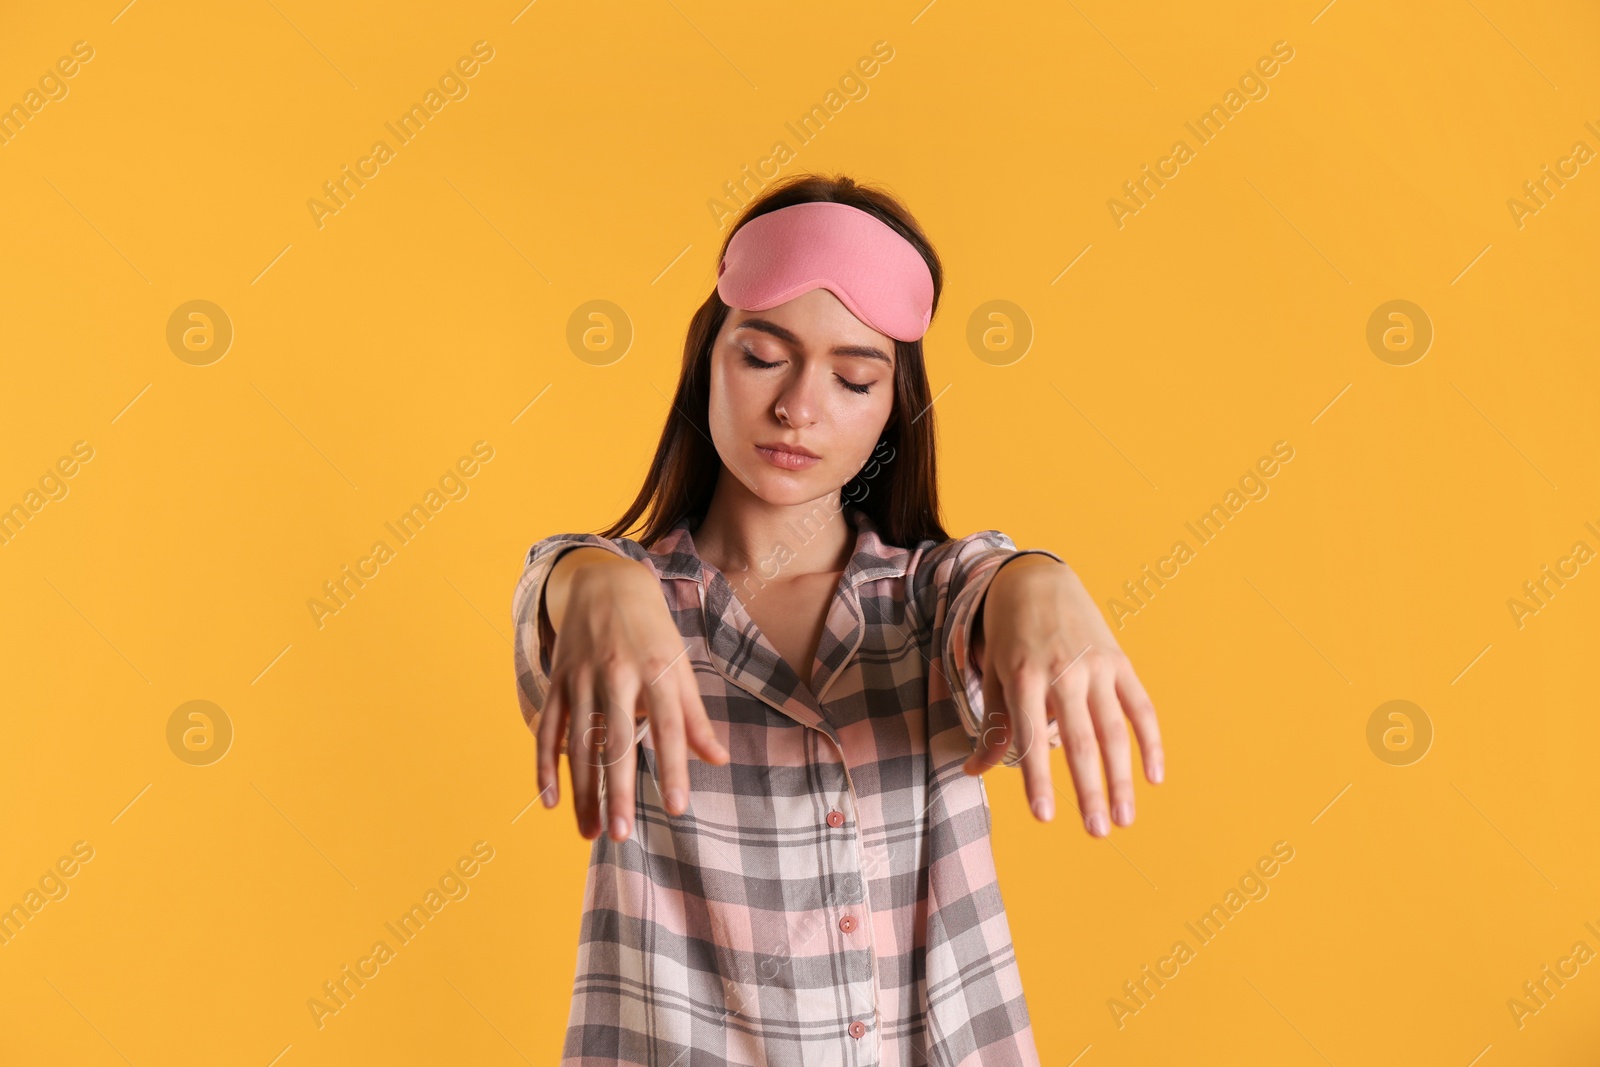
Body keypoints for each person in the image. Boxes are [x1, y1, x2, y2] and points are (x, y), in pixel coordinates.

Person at [511, 173, 1165, 1066]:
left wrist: (1039, 580)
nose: (799, 407)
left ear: (894, 405)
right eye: (762, 356)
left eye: (854, 378)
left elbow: (983, 585)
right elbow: (556, 596)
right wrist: (587, 578)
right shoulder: (619, 603)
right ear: (708, 357)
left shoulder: (926, 601)